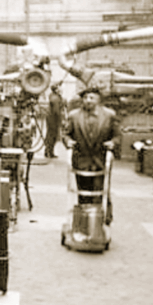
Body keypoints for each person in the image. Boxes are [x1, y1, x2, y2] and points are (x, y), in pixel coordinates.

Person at [62, 87, 120, 224]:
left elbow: (117, 136)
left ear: (98, 100)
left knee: (101, 191)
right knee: (83, 193)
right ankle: (84, 221)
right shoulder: (74, 115)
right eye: (85, 98)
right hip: (81, 159)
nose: (88, 101)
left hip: (101, 159)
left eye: (91, 98)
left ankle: (101, 220)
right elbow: (65, 134)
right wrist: (68, 141)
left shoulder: (109, 115)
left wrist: (113, 143)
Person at [44, 83, 65, 158]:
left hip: (51, 117)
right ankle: (49, 152)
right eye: (59, 88)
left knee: (50, 134)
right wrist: (61, 120)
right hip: (53, 118)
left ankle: (48, 151)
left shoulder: (54, 95)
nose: (61, 89)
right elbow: (56, 111)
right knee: (52, 135)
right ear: (56, 90)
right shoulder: (55, 98)